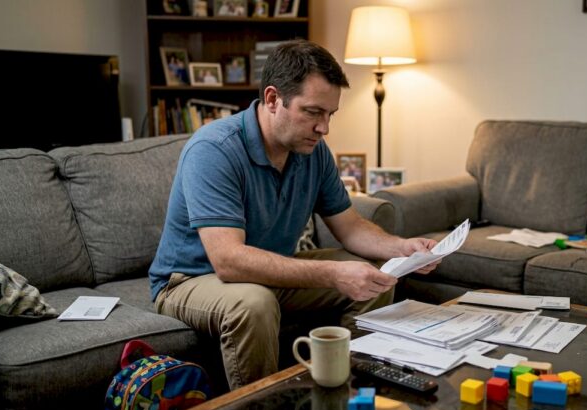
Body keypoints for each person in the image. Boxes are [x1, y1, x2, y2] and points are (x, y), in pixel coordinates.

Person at [148, 40, 440, 391]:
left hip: (266, 273)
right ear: (273, 100)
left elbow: (350, 228)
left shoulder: (312, 152)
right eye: (313, 112)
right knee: (254, 303)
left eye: (330, 114)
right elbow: (228, 261)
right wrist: (333, 273)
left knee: (373, 277)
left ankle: (339, 389)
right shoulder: (214, 150)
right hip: (189, 281)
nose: (324, 128)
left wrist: (402, 248)